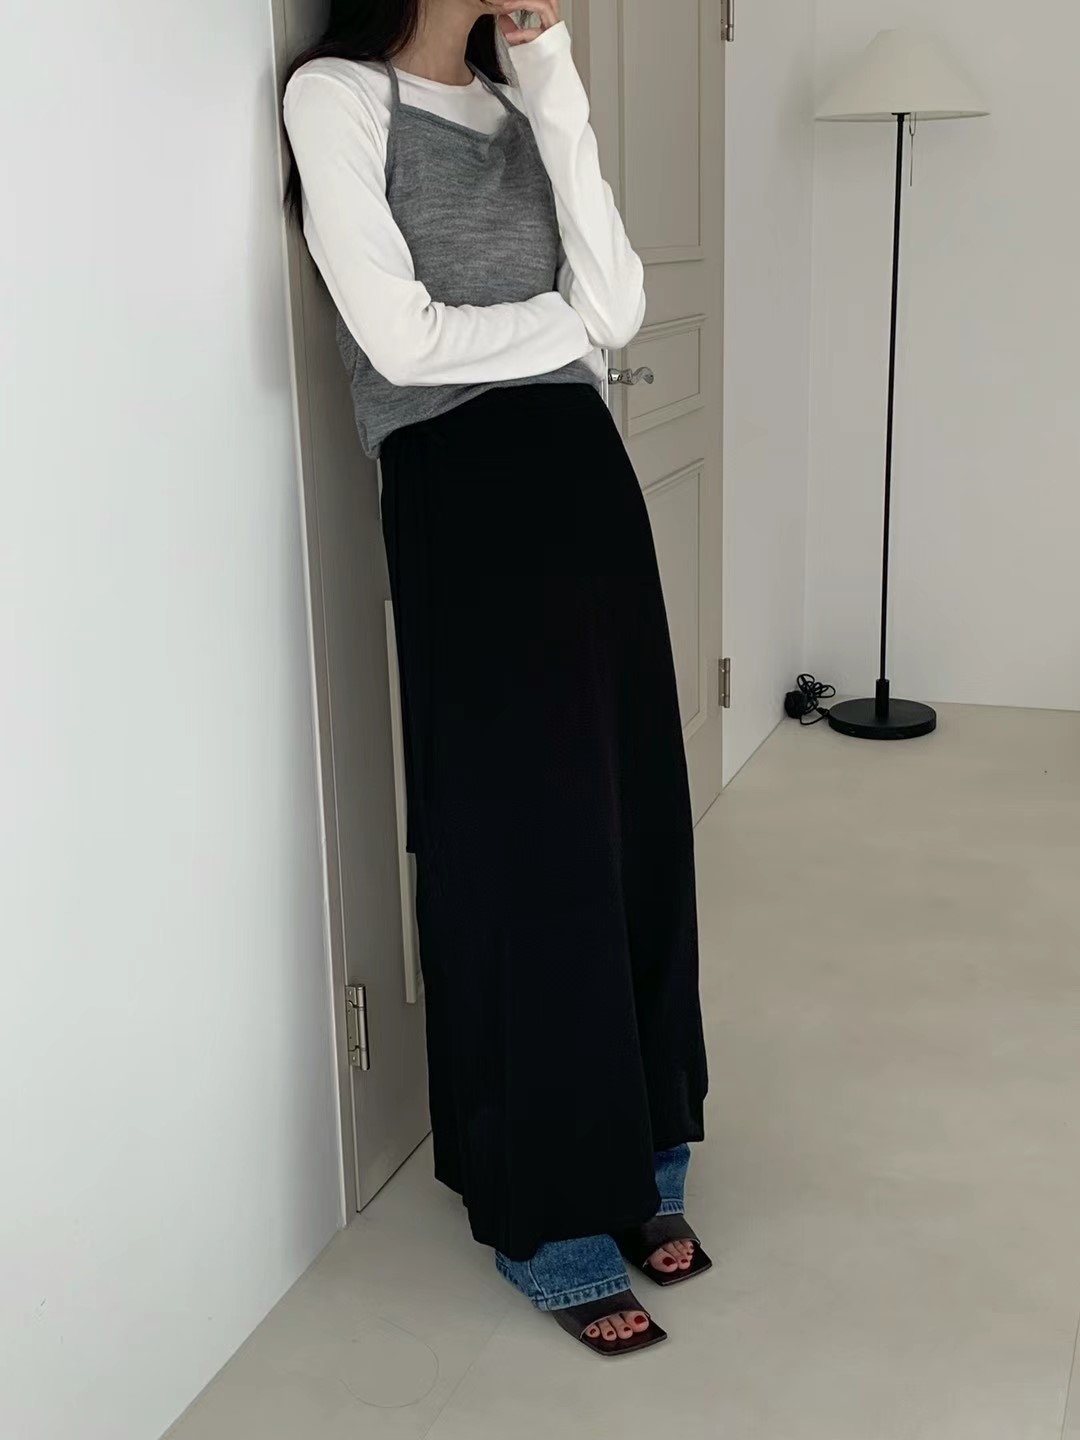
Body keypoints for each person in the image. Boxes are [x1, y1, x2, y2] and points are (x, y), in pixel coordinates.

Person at [284, 0, 709, 1358]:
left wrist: (552, 67)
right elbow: (400, 346)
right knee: (520, 845)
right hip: (460, 490)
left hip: (584, 478)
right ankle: (546, 1210)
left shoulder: (526, 97)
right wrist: (561, 326)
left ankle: (640, 1156)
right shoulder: (339, 99)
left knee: (630, 826)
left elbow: (620, 304)